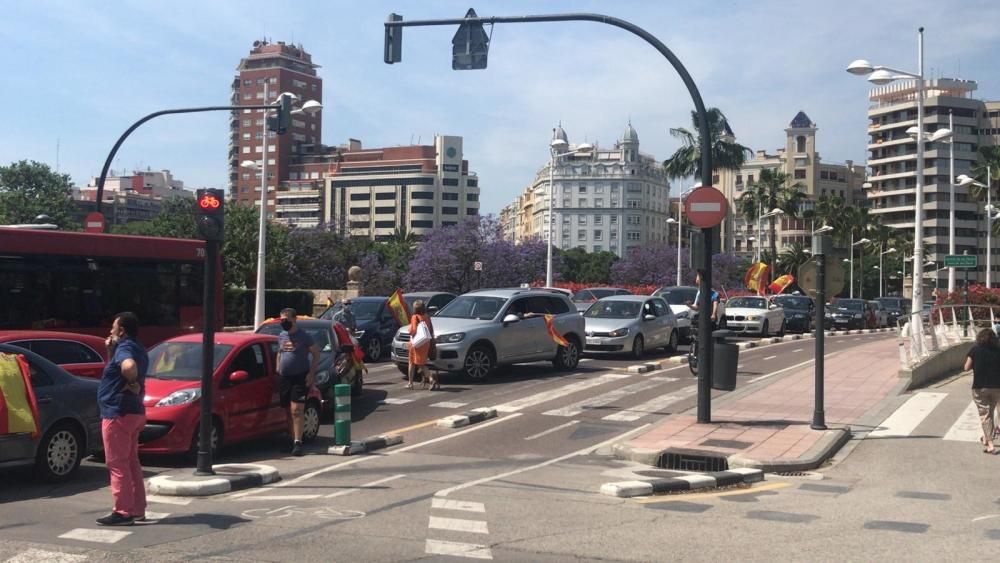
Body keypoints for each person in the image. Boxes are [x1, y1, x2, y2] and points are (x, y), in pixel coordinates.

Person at [96, 312, 149, 527]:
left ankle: (123, 512)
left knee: (117, 464)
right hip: (134, 412)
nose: (110, 331)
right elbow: (119, 370)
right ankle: (137, 509)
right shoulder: (139, 348)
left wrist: (133, 380)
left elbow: (127, 367)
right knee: (131, 462)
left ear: (122, 331)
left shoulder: (125, 347)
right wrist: (111, 350)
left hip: (117, 413)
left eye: (113, 327)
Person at [276, 308, 319, 456]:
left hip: (300, 377)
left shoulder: (304, 336)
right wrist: (278, 369)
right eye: (282, 320)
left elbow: (316, 353)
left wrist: (311, 373)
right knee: (288, 411)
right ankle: (291, 439)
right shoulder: (281, 336)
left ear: (294, 319)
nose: (284, 323)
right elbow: (280, 352)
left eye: (286, 320)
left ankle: (298, 442)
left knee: (297, 410)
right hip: (284, 378)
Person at [964, 328, 1000, 454]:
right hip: (997, 387)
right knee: (989, 412)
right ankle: (986, 438)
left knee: (985, 414)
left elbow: (966, 367)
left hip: (980, 387)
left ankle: (990, 444)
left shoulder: (975, 350)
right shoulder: (998, 351)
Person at [407, 300, 436, 390]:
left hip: (416, 343)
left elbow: (413, 330)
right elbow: (431, 329)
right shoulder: (427, 317)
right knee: (421, 363)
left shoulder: (415, 317)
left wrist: (409, 329)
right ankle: (410, 383)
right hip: (425, 342)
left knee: (414, 363)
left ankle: (430, 378)